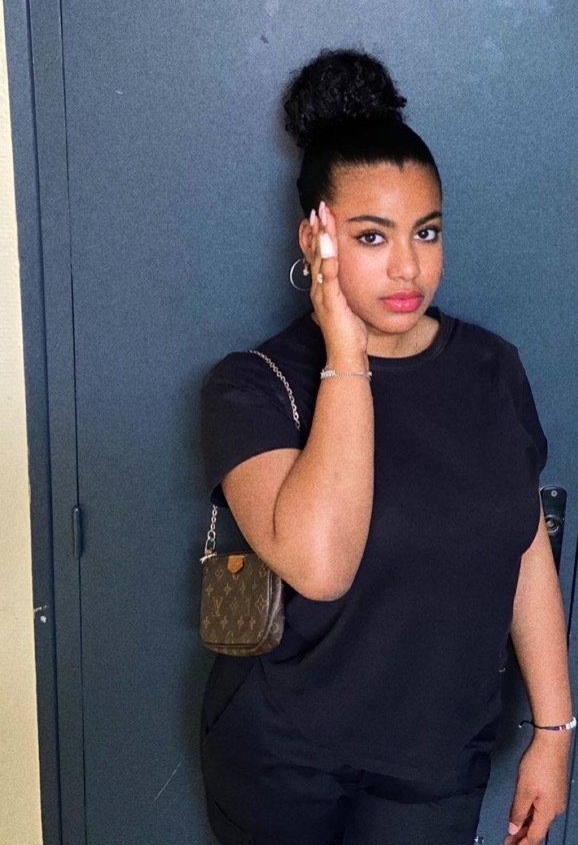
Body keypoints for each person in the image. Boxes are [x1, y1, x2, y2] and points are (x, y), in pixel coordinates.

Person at [200, 49, 573, 845]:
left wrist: (554, 731)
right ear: (317, 239)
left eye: (426, 232)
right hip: (284, 755)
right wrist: (345, 350)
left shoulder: (492, 368)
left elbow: (523, 547)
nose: (409, 267)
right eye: (372, 236)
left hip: (437, 760)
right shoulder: (252, 386)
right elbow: (321, 566)